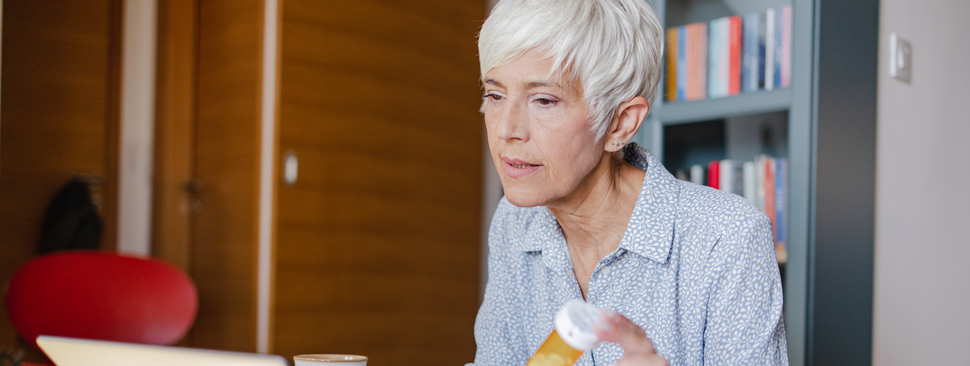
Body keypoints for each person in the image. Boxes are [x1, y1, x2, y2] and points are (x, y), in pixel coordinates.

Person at [471, 0, 788, 365]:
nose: (506, 129)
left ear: (620, 124)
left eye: (544, 100)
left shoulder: (727, 240)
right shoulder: (514, 222)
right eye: (495, 95)